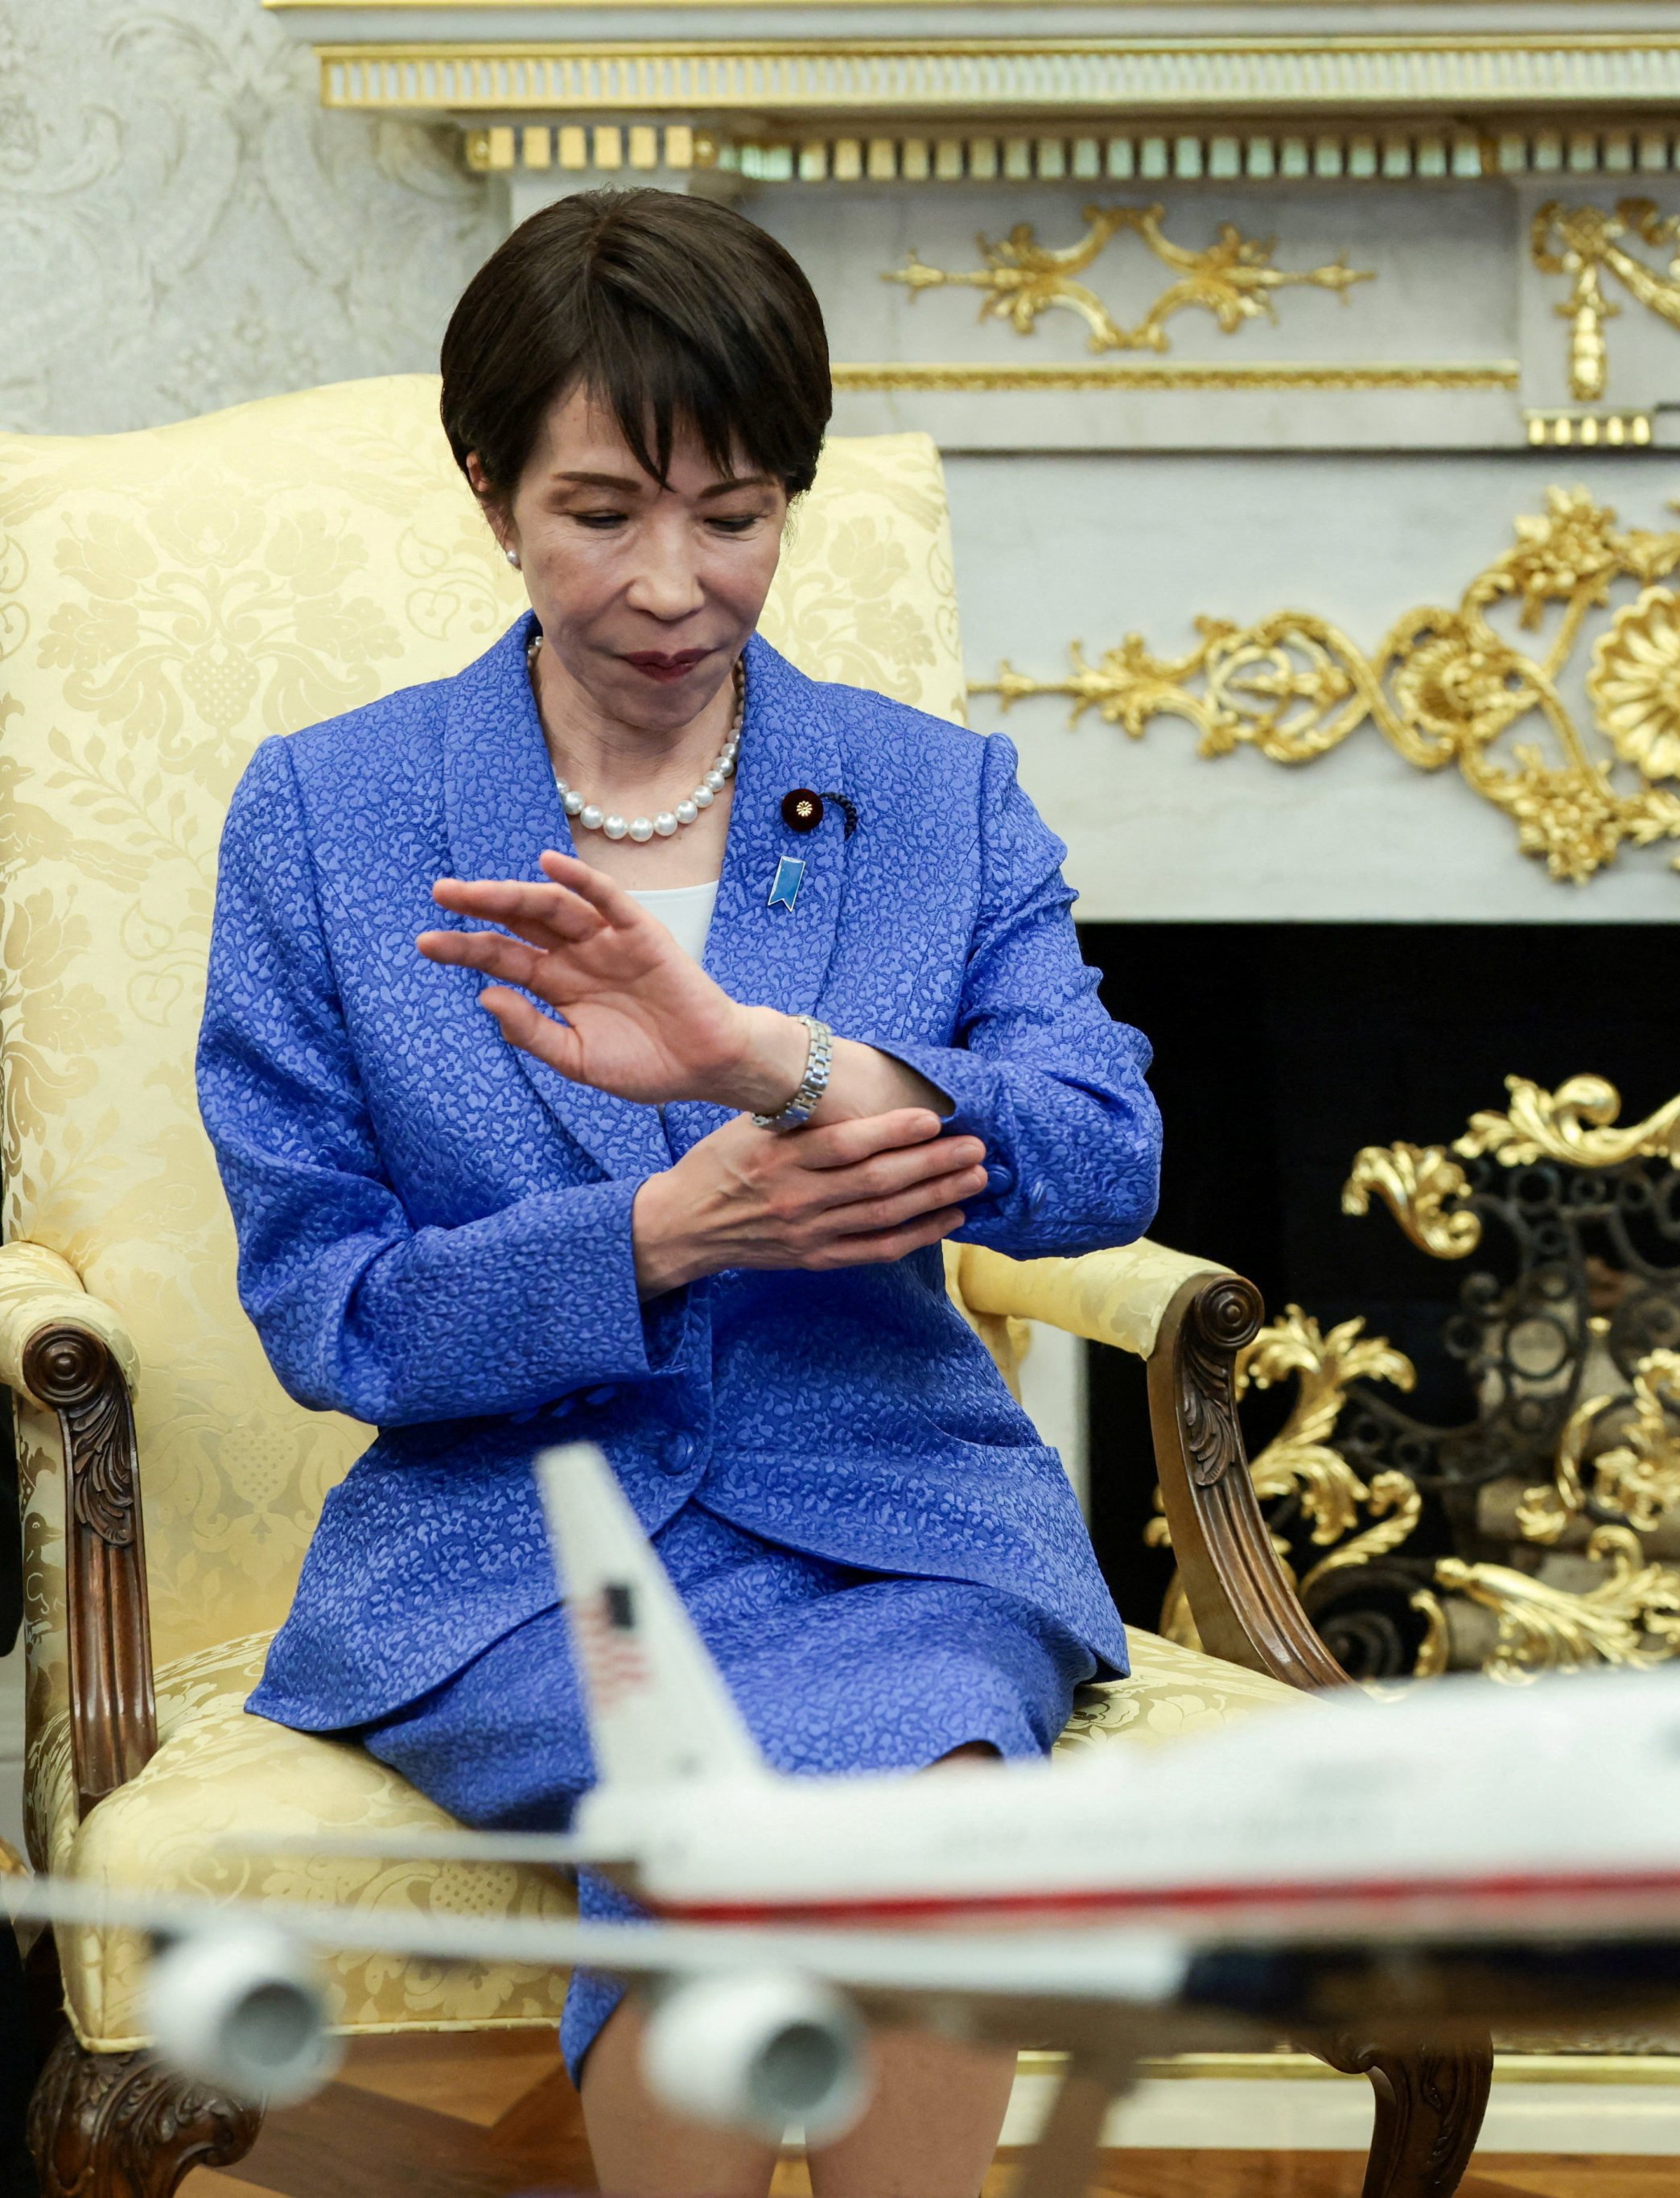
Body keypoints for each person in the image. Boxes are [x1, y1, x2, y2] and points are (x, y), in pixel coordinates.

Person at [196, 188, 1159, 2196]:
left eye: (731, 514)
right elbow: (329, 1307)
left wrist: (763, 1062)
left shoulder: (933, 792)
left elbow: (1104, 1153)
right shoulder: (330, 815)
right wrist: (654, 1235)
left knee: (918, 1822)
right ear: (490, 491)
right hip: (521, 1542)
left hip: (897, 1516)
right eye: (603, 510)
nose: (668, 582)